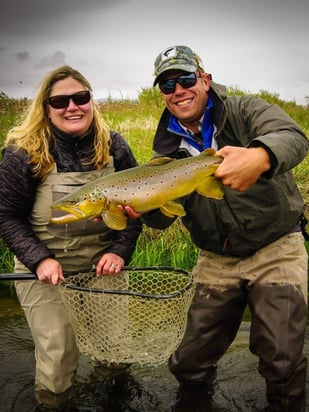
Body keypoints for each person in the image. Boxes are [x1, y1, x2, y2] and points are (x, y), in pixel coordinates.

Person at [138, 45, 308, 411]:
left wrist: (260, 155)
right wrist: (143, 208)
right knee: (188, 363)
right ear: (162, 95)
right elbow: (162, 218)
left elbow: (293, 136)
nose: (178, 90)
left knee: (281, 358)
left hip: (276, 246)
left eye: (185, 79)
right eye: (167, 86)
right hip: (216, 257)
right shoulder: (166, 149)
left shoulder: (246, 110)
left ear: (204, 79)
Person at [0, 65, 142, 411]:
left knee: (114, 353)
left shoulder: (115, 147)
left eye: (80, 98)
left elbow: (134, 214)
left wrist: (120, 252)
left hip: (103, 268)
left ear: (91, 101)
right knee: (58, 359)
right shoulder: (24, 153)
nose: (72, 107)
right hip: (45, 271)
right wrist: (39, 259)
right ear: (46, 108)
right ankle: (54, 403)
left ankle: (109, 400)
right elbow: (6, 216)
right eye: (60, 101)